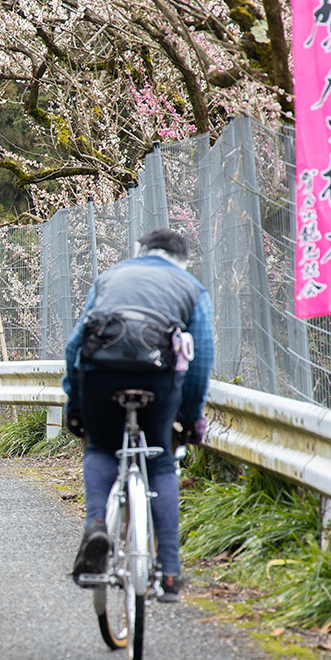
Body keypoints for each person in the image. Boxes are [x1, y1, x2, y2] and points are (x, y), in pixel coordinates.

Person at [61, 228, 214, 602]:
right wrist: (192, 418)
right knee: (160, 462)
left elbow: (74, 346)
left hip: (101, 374)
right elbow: (200, 360)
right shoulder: (191, 288)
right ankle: (171, 574)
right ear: (182, 260)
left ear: (140, 252)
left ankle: (97, 525)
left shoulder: (109, 278)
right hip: (157, 380)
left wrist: (75, 404)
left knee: (99, 445)